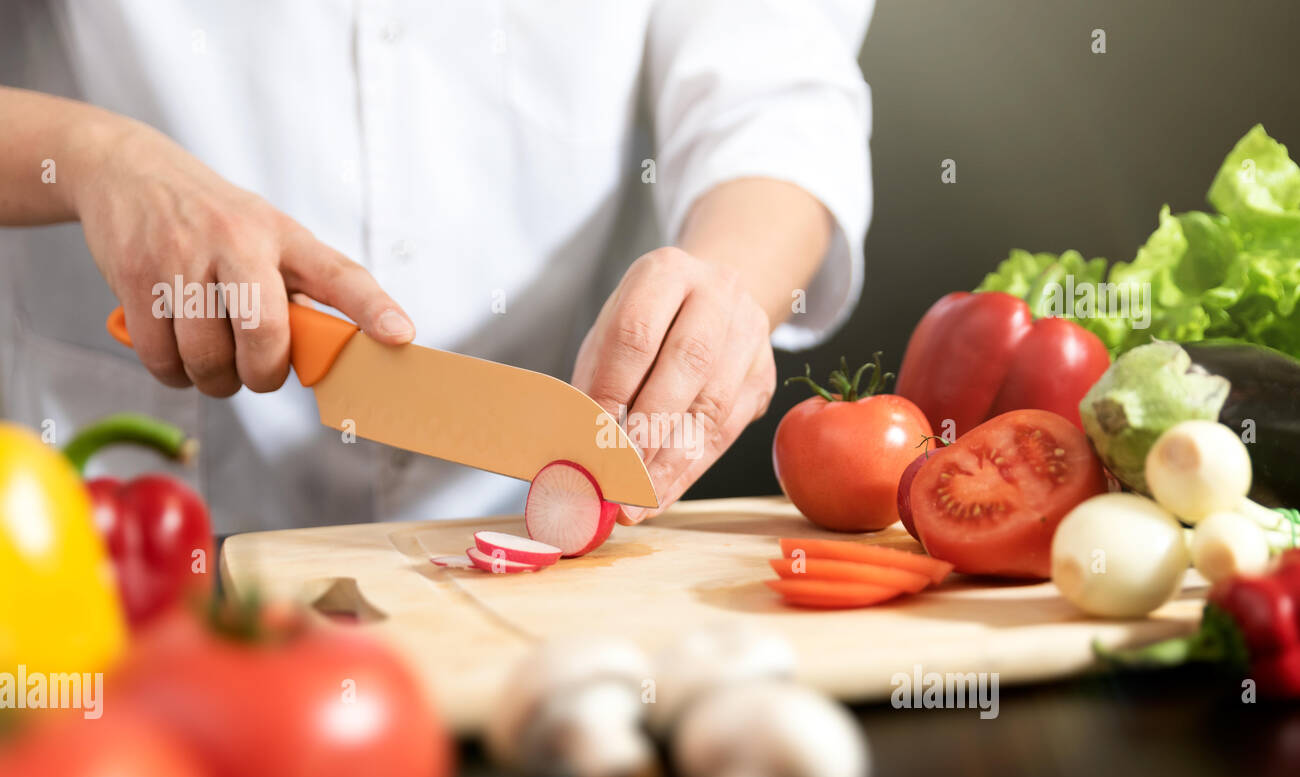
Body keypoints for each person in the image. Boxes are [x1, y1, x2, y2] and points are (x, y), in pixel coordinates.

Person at [0, 0, 873, 533]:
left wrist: (728, 284)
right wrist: (94, 156)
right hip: (114, 535)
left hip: (511, 567)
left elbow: (776, 84)